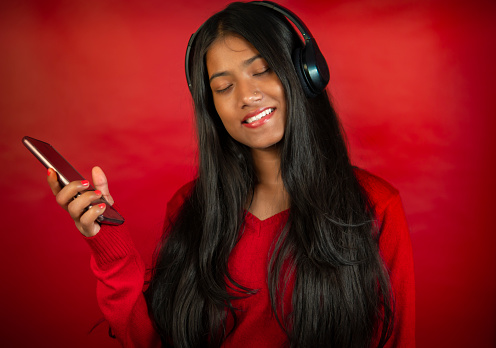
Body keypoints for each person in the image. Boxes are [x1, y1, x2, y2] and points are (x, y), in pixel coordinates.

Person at [46, 2, 415, 347]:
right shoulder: (191, 206)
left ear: (306, 74)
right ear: (213, 107)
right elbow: (152, 339)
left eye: (262, 70)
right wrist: (109, 245)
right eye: (223, 87)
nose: (246, 95)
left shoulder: (376, 206)